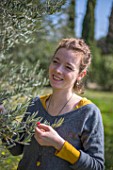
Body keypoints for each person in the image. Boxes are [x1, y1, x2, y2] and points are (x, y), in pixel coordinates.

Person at [0, 38, 104, 170]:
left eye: (68, 67)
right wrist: (3, 121)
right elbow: (17, 149)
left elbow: (97, 166)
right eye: (56, 62)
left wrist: (59, 144)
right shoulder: (35, 104)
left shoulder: (88, 113)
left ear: (80, 74)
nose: (58, 70)